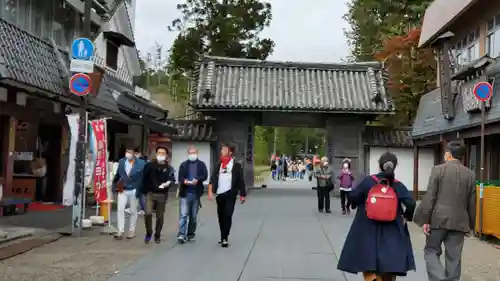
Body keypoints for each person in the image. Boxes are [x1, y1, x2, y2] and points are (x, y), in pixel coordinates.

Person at [337, 152, 416, 281]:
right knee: (390, 265)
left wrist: (354, 204)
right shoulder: (397, 185)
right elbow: (411, 204)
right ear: (394, 167)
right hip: (392, 230)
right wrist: (406, 217)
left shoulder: (369, 182)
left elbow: (353, 197)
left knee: (368, 262)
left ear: (379, 166)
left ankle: (373, 278)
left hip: (367, 227)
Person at [414, 141, 476, 281]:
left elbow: (430, 197)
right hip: (459, 222)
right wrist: (471, 226)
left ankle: (439, 277)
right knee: (454, 257)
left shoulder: (438, 170)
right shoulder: (470, 175)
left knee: (431, 251)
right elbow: (472, 203)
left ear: (448, 154)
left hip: (437, 220)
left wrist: (424, 220)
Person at [208, 144, 246, 247]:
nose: (222, 151)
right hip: (220, 193)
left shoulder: (236, 166)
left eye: (224, 149)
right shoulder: (218, 164)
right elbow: (212, 178)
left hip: (230, 193)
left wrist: (242, 194)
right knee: (221, 216)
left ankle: (225, 237)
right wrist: (210, 191)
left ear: (230, 152)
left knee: (228, 215)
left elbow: (240, 180)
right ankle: (222, 235)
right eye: (222, 149)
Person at [140, 146, 175, 244]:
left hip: (162, 195)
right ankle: (148, 232)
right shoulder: (149, 166)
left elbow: (172, 179)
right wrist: (143, 191)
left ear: (166, 155)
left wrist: (168, 183)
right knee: (147, 213)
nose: (161, 155)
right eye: (159, 153)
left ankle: (157, 234)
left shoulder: (169, 168)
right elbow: (144, 178)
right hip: (150, 193)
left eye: (163, 153)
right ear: (156, 154)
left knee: (160, 216)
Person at [112, 146, 146, 240]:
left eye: (130, 152)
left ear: (134, 153)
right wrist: (115, 186)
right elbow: (118, 174)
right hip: (123, 188)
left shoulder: (141, 163)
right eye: (127, 152)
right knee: (120, 209)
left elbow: (143, 177)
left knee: (133, 210)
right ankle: (120, 231)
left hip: (134, 189)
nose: (128, 154)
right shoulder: (122, 162)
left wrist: (142, 188)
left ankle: (131, 231)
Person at [177, 146, 208, 243]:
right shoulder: (184, 165)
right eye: (190, 153)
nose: (192, 154)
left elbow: (205, 175)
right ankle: (182, 234)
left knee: (193, 216)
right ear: (188, 154)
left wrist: (197, 179)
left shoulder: (201, 164)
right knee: (183, 215)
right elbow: (180, 177)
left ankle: (190, 234)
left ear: (197, 153)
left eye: (194, 152)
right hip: (185, 193)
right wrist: (184, 181)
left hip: (196, 193)